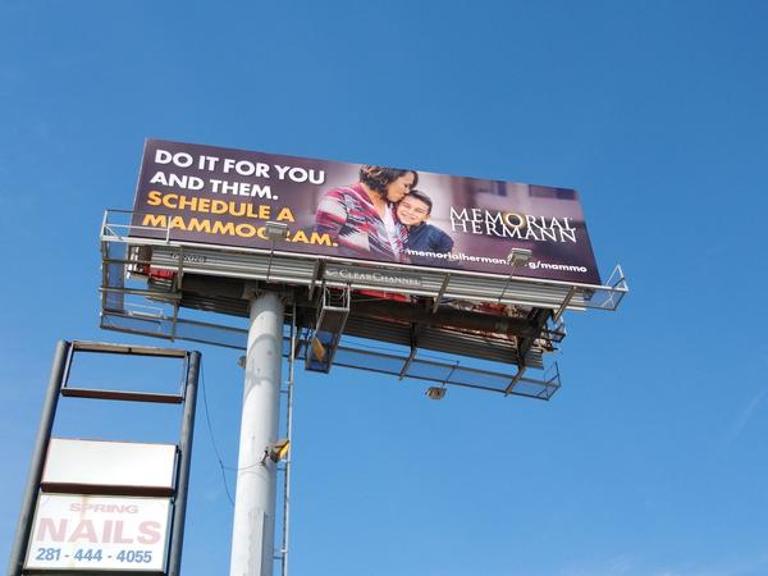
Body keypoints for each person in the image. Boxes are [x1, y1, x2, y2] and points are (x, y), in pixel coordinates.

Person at [314, 165, 418, 262]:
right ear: (386, 176)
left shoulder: (395, 208)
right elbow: (323, 245)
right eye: (406, 185)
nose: (407, 191)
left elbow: (404, 249)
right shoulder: (341, 196)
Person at [396, 189, 454, 265]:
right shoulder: (388, 225)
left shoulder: (436, 235)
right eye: (406, 206)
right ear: (397, 205)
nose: (410, 212)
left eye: (418, 211)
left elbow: (446, 257)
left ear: (426, 217)